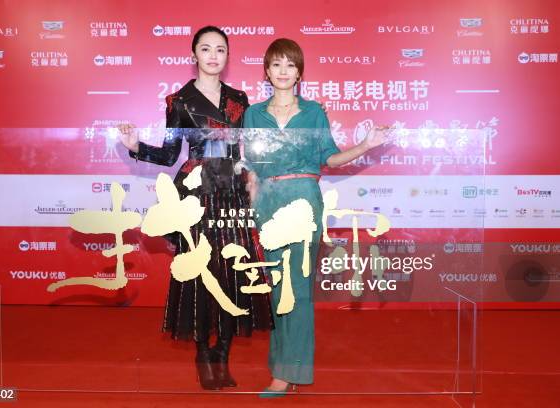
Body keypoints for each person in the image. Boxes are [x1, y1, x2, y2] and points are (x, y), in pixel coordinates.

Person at [118, 26, 273, 390]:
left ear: (227, 56)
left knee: (235, 270)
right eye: (206, 49)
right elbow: (172, 154)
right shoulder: (179, 101)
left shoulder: (240, 97)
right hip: (197, 191)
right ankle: (203, 350)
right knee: (202, 268)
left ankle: (224, 354)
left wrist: (252, 176)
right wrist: (136, 145)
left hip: (232, 189)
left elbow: (247, 147)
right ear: (194, 56)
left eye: (221, 49)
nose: (214, 55)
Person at [243, 38, 391, 397]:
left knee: (298, 288)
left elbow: (331, 157)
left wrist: (365, 146)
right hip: (268, 202)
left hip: (303, 201)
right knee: (277, 287)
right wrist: (251, 202)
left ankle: (288, 373)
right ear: (266, 71)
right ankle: (282, 366)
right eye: (276, 64)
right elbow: (250, 165)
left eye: (290, 65)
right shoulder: (253, 114)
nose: (283, 71)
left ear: (299, 73)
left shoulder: (313, 113)